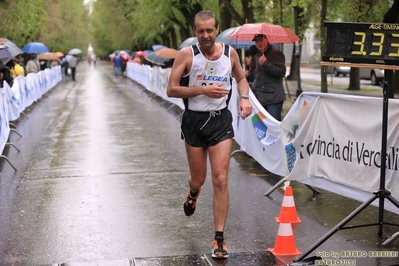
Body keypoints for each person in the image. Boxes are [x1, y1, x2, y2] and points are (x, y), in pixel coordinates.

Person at [166, 10, 252, 259]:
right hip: (194, 122)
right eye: (200, 31)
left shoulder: (229, 53)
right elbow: (171, 89)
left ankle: (219, 239)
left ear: (217, 29)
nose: (205, 35)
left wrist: (244, 98)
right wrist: (202, 90)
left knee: (220, 178)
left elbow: (241, 79)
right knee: (199, 179)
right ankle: (192, 193)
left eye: (210, 30)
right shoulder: (187, 55)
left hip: (220, 122)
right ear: (195, 31)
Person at [251, 33, 286, 121]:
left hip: (273, 99)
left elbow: (281, 72)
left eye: (260, 40)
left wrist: (266, 63)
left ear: (267, 39)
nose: (258, 43)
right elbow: (259, 75)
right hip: (260, 99)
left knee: (274, 128)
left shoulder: (276, 53)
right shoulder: (258, 54)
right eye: (256, 41)